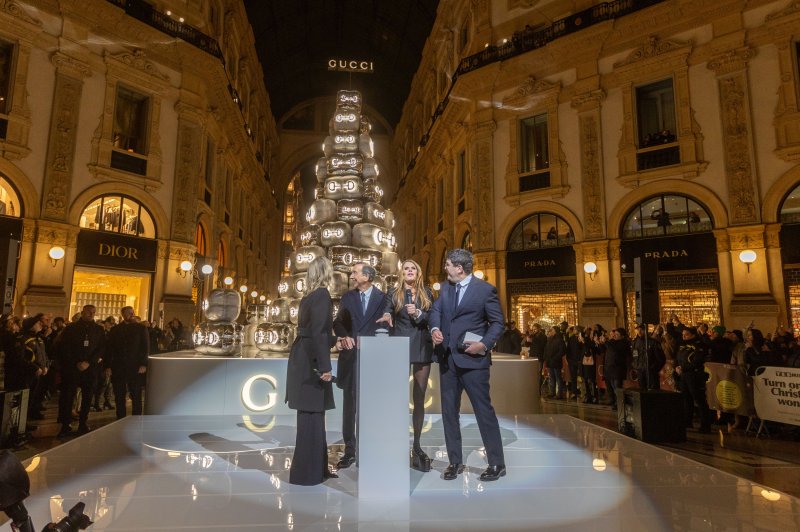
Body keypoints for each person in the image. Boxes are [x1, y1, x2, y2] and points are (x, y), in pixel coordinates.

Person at [429, 248, 506, 482]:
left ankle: (496, 464)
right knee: (449, 413)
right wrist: (434, 329)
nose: (445, 268)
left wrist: (483, 344)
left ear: (459, 268)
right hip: (448, 361)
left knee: (484, 413)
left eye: (448, 264)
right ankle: (455, 462)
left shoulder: (485, 290)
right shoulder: (445, 288)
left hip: (474, 362)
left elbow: (497, 323)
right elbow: (435, 311)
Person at [377, 259, 434, 472]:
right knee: (398, 398)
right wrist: (386, 315)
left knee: (419, 397)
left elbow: (432, 316)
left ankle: (417, 445)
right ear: (402, 273)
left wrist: (419, 314)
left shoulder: (427, 293)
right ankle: (396, 441)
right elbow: (386, 310)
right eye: (406, 269)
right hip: (399, 347)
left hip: (421, 347)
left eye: (413, 268)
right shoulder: (393, 293)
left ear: (418, 273)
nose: (409, 271)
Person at [286, 256, 338, 485]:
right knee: (312, 415)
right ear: (326, 272)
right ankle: (308, 474)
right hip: (311, 362)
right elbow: (319, 332)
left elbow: (315, 330)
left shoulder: (308, 296)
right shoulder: (322, 295)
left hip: (304, 357)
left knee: (312, 415)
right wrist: (325, 367)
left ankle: (316, 470)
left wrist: (338, 338)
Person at [332, 262, 386, 469]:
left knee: (373, 405)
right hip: (351, 358)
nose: (351, 275)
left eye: (355, 272)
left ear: (367, 276)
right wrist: (344, 335)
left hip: (374, 360)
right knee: (350, 406)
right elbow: (338, 322)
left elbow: (387, 326)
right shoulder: (348, 297)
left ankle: (371, 447)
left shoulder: (383, 298)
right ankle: (350, 450)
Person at [53, 304, 105, 437]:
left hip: (90, 368)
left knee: (87, 397)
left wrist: (89, 362)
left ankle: (83, 423)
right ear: (82, 312)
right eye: (89, 312)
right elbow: (65, 347)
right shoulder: (71, 328)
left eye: (94, 312)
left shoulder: (99, 329)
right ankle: (65, 425)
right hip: (72, 368)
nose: (91, 314)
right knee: (67, 397)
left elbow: (101, 347)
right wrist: (77, 362)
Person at [105, 306, 149, 419]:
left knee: (136, 393)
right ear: (123, 315)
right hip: (118, 366)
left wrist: (144, 364)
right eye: (128, 313)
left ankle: (136, 418)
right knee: (119, 394)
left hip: (135, 366)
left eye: (132, 312)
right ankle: (120, 417)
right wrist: (108, 366)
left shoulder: (141, 328)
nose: (131, 314)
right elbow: (110, 348)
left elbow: (145, 347)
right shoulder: (116, 329)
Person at [674, 327, 711, 432]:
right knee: (686, 399)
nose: (684, 336)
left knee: (699, 400)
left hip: (694, 375)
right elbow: (678, 358)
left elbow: (697, 360)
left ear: (693, 335)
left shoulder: (698, 345)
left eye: (686, 334)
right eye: (683, 334)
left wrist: (684, 368)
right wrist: (677, 367)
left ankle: (705, 424)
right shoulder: (682, 346)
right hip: (683, 376)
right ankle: (687, 421)